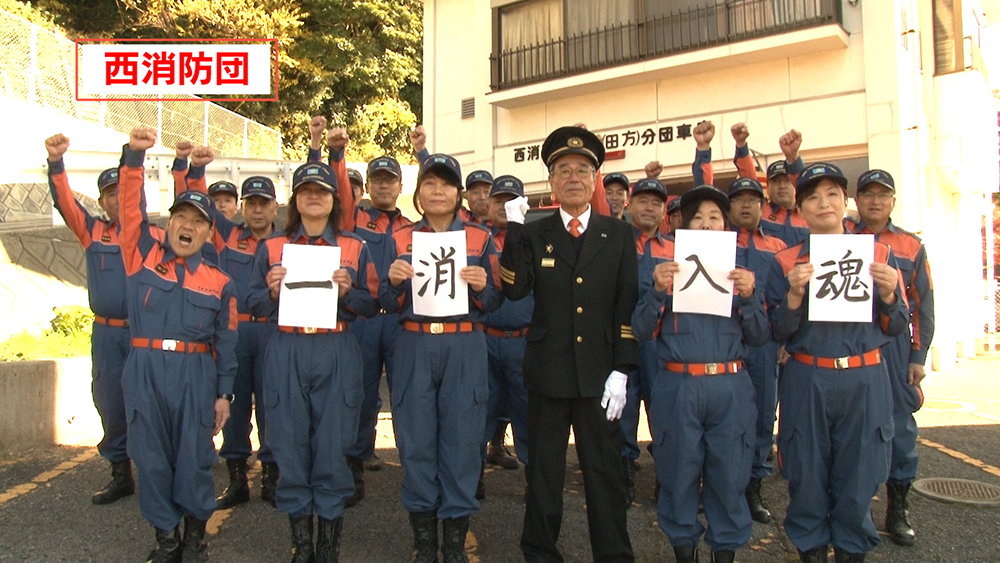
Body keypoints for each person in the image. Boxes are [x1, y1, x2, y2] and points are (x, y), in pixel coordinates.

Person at [500, 125, 639, 562]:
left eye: (583, 169)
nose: (574, 176)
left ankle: (614, 555)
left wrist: (622, 369)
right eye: (563, 170)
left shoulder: (616, 234)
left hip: (600, 375)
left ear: (596, 179)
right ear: (552, 181)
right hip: (549, 372)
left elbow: (625, 306)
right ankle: (540, 553)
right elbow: (514, 289)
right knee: (544, 475)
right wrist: (514, 232)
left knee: (604, 476)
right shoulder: (536, 233)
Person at [766, 163, 908, 563]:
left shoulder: (879, 254)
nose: (823, 203)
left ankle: (851, 550)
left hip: (864, 378)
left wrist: (892, 296)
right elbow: (776, 330)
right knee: (807, 475)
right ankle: (810, 550)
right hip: (808, 376)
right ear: (801, 208)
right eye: (812, 196)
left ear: (845, 202)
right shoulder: (787, 261)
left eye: (831, 194)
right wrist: (794, 296)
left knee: (859, 476)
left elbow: (898, 326)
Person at [113, 126, 238, 562]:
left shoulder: (220, 282)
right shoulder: (142, 256)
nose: (188, 226)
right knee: (150, 459)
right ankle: (166, 540)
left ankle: (195, 539)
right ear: (169, 224)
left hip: (195, 375)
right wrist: (133, 158)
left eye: (199, 222)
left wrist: (224, 393)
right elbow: (131, 210)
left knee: (195, 459)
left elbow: (228, 342)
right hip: (145, 369)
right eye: (181, 217)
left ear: (208, 233)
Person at [248, 161, 380, 563]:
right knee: (288, 444)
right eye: (305, 190)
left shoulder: (355, 246)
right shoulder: (271, 247)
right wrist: (271, 293)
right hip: (287, 346)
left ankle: (328, 547)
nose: (314, 197)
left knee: (332, 445)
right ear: (296, 201)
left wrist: (348, 293)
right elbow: (250, 303)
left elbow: (373, 305)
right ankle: (301, 545)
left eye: (322, 191)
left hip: (335, 347)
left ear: (334, 200)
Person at [632, 184, 767, 563]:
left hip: (730, 386)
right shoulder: (663, 267)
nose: (706, 225)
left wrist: (750, 295)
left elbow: (759, 337)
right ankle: (683, 550)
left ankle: (724, 552)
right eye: (697, 218)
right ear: (681, 225)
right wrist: (658, 291)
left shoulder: (743, 269)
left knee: (729, 476)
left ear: (726, 226)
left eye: (714, 218)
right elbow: (640, 329)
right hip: (678, 384)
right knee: (678, 474)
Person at [381, 153, 502, 563]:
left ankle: (454, 545)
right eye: (430, 183)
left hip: (464, 345)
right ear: (418, 193)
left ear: (459, 194)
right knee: (415, 442)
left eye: (446, 184)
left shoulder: (480, 239)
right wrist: (395, 283)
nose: (437, 191)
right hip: (415, 343)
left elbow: (494, 302)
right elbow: (384, 299)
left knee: (463, 442)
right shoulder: (399, 239)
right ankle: (425, 545)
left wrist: (484, 287)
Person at [307, 117, 414, 504]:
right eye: (378, 179)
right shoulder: (355, 218)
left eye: (391, 179)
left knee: (404, 393)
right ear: (367, 185)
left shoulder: (412, 228)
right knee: (361, 394)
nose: (384, 185)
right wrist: (334, 152)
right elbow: (335, 189)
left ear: (402, 186)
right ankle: (355, 461)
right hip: (365, 319)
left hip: (401, 322)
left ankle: (413, 463)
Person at [45, 145, 155, 506]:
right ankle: (120, 472)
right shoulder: (92, 231)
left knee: (149, 401)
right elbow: (63, 201)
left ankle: (158, 472)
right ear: (102, 200)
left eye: (123, 192)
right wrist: (56, 162)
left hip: (144, 333)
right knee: (110, 400)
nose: (116, 199)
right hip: (107, 333)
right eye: (110, 194)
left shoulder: (151, 236)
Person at [178, 143, 282, 510]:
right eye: (250, 202)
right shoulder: (226, 234)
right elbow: (195, 207)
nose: (256, 208)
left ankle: (272, 475)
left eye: (263, 202)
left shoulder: (286, 242)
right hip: (235, 332)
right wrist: (195, 169)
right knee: (234, 404)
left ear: (274, 206)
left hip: (272, 330)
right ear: (242, 207)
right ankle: (237, 477)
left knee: (272, 403)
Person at [846, 169, 934, 547]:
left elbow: (923, 304)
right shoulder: (844, 239)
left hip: (896, 344)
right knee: (855, 428)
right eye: (868, 194)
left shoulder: (911, 245)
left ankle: (898, 509)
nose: (876, 201)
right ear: (858, 201)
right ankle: (856, 507)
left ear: (893, 201)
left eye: (883, 195)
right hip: (855, 342)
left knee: (900, 429)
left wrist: (918, 355)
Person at [726, 177, 786, 523]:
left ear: (763, 206)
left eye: (753, 199)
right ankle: (724, 482)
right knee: (726, 415)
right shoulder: (717, 243)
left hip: (765, 343)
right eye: (739, 200)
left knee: (764, 415)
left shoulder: (778, 245)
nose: (746, 205)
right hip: (727, 339)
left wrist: (784, 342)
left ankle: (754, 486)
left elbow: (783, 299)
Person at [478, 175, 532, 499]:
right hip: (484, 339)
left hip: (522, 342)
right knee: (479, 408)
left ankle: (532, 477)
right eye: (498, 200)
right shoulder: (476, 240)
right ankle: (473, 476)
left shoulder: (534, 241)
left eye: (511, 201)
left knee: (526, 412)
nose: (503, 206)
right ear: (488, 204)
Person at [620, 177, 673, 505]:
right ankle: (623, 474)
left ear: (664, 210)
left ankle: (666, 479)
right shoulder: (616, 242)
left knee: (664, 413)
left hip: (660, 345)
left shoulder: (677, 250)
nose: (649, 207)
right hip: (623, 342)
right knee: (621, 412)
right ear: (629, 204)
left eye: (656, 202)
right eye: (643, 201)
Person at [730, 127, 809, 246]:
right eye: (776, 181)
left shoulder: (809, 213)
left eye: (787, 181)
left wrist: (793, 158)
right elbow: (749, 179)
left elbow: (806, 186)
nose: (782, 186)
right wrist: (741, 145)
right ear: (768, 186)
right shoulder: (761, 210)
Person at [409, 125, 490, 224]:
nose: (482, 197)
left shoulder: (505, 222)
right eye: (475, 192)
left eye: (487, 192)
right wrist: (421, 150)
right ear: (464, 196)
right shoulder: (459, 217)